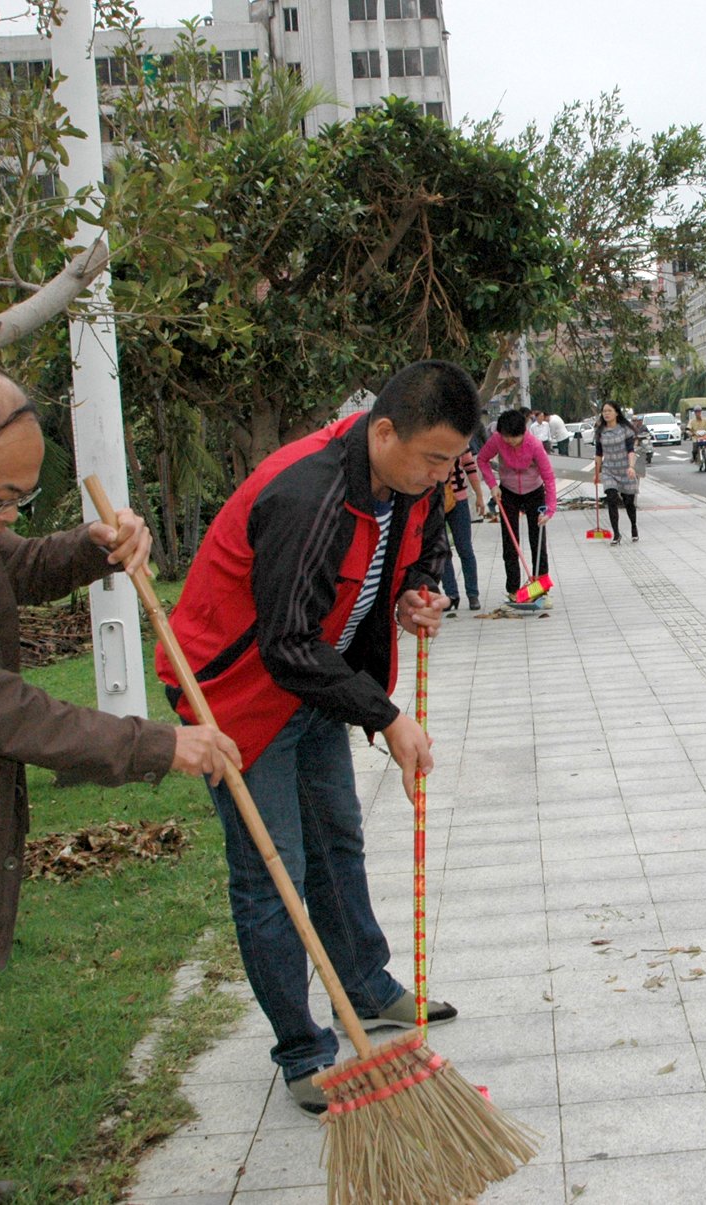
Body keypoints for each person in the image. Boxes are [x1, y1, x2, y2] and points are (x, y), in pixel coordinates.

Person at [0, 367, 238, 1203]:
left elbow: (15, 566)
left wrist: (94, 545)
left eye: (24, 499)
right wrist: (156, 744)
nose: (8, 517)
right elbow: (2, 710)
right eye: (3, 496)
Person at [163, 359, 471, 1115]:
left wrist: (413, 593)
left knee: (338, 840)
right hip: (236, 695)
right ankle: (303, 1051)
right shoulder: (308, 491)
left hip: (312, 682)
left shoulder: (403, 483)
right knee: (275, 876)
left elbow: (419, 546)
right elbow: (287, 644)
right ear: (384, 429)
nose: (438, 477)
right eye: (431, 458)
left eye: (450, 462)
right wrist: (388, 716)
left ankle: (363, 987)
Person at [477, 407, 556, 606]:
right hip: (508, 493)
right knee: (510, 542)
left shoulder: (534, 445)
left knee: (537, 540)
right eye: (506, 437)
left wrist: (549, 509)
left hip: (534, 493)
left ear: (524, 432)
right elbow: (482, 460)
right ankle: (513, 590)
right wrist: (493, 486)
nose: (510, 441)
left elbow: (548, 477)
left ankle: (541, 589)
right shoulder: (497, 440)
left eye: (515, 437)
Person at [439, 433, 486, 613]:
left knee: (464, 548)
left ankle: (472, 594)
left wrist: (479, 496)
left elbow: (470, 467)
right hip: (434, 502)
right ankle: (451, 595)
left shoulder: (460, 441)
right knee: (442, 551)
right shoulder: (427, 441)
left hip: (459, 500)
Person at [593, 402, 640, 542]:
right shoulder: (600, 432)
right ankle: (616, 533)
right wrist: (597, 473)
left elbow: (631, 451)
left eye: (609, 411)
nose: (606, 413)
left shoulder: (625, 430)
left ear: (616, 413)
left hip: (626, 469)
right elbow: (598, 454)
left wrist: (631, 467)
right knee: (611, 498)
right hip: (609, 470)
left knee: (629, 502)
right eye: (604, 411)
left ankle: (633, 526)